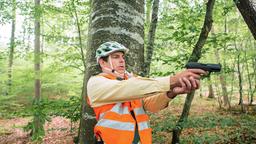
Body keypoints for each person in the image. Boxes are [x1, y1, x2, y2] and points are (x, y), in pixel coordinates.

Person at [87, 41, 206, 144]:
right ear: (102, 62)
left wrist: (171, 92)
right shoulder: (96, 83)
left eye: (123, 57)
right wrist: (173, 80)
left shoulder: (131, 81)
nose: (122, 60)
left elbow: (150, 105)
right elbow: (128, 88)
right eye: (116, 57)